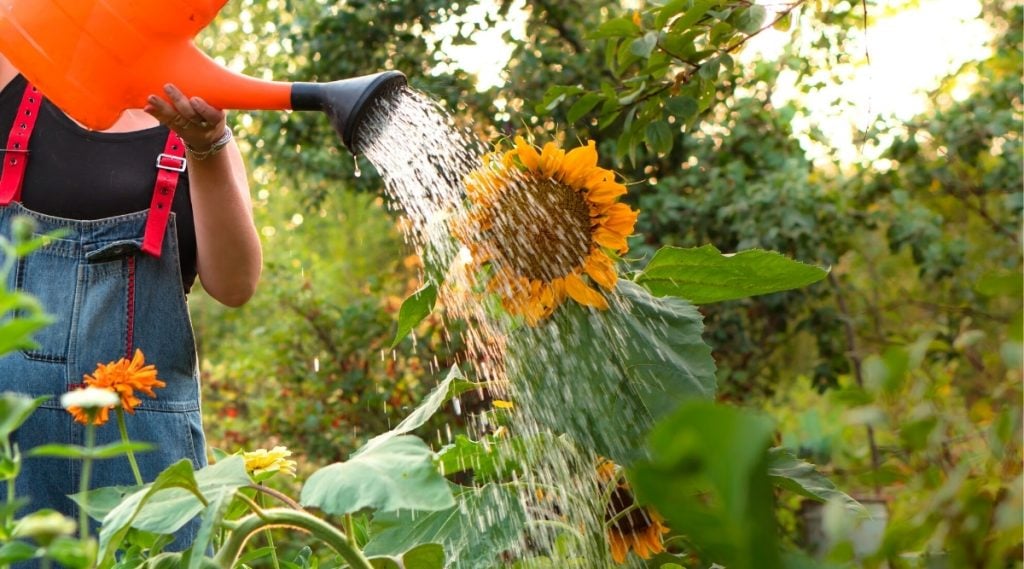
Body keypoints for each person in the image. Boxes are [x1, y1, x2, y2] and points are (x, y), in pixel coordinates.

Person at [0, 53, 262, 557]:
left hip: (144, 461)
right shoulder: (13, 75)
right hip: (10, 452)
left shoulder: (198, 119)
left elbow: (235, 285)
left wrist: (207, 148)